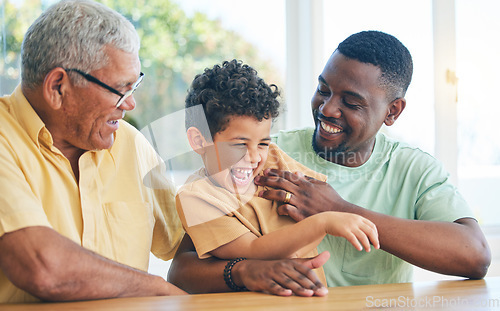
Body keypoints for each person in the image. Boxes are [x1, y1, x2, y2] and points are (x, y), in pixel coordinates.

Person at [168, 30, 491, 296]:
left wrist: (339, 209)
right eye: (323, 90)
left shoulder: (414, 169)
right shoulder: (261, 155)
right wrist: (246, 271)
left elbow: (474, 256)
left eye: (351, 102)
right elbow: (183, 270)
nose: (328, 109)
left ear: (392, 111)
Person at [0, 0, 185, 303]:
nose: (130, 104)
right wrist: (158, 289)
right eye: (120, 89)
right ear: (58, 87)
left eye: (133, 86)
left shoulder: (130, 144)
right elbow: (43, 266)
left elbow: (191, 247)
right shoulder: (4, 138)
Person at [176, 59, 380, 290]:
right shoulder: (196, 198)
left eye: (262, 142)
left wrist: (320, 221)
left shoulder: (271, 157)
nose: (254, 157)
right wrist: (323, 223)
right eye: (239, 145)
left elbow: (313, 205)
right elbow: (253, 251)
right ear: (198, 140)